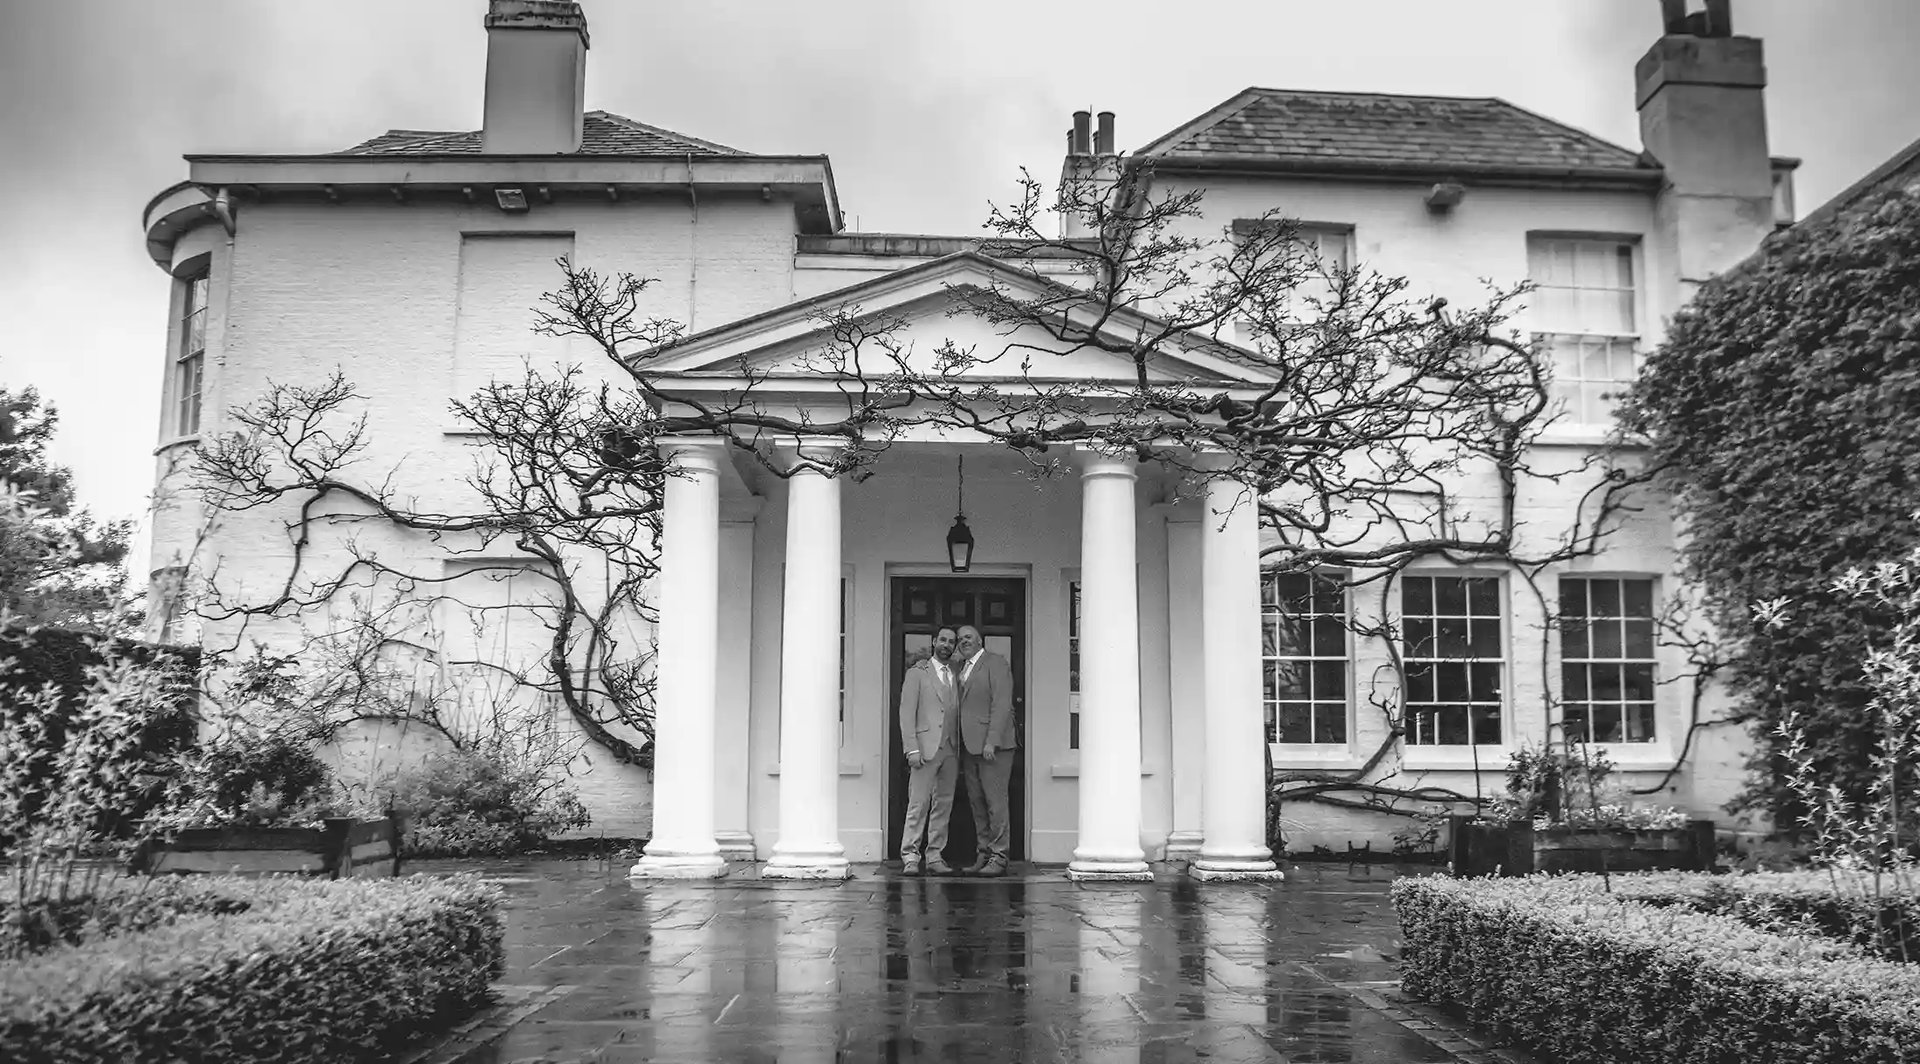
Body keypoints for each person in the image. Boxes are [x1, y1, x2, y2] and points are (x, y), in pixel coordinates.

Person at [952, 624, 1016, 877]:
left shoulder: (995, 663)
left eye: (968, 637)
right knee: (977, 802)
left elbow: (1001, 704)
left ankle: (1000, 856)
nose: (963, 641)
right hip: (969, 747)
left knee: (995, 803)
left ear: (979, 641)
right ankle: (984, 853)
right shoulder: (960, 668)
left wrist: (992, 741)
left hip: (993, 748)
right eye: (960, 639)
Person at [898, 627, 960, 876]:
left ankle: (935, 855)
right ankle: (910, 855)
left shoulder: (956, 673)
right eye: (943, 639)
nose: (946, 644)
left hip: (951, 749)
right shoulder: (917, 673)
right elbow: (906, 713)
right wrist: (911, 748)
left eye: (951, 642)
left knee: (942, 805)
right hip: (924, 748)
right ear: (934, 641)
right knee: (918, 803)